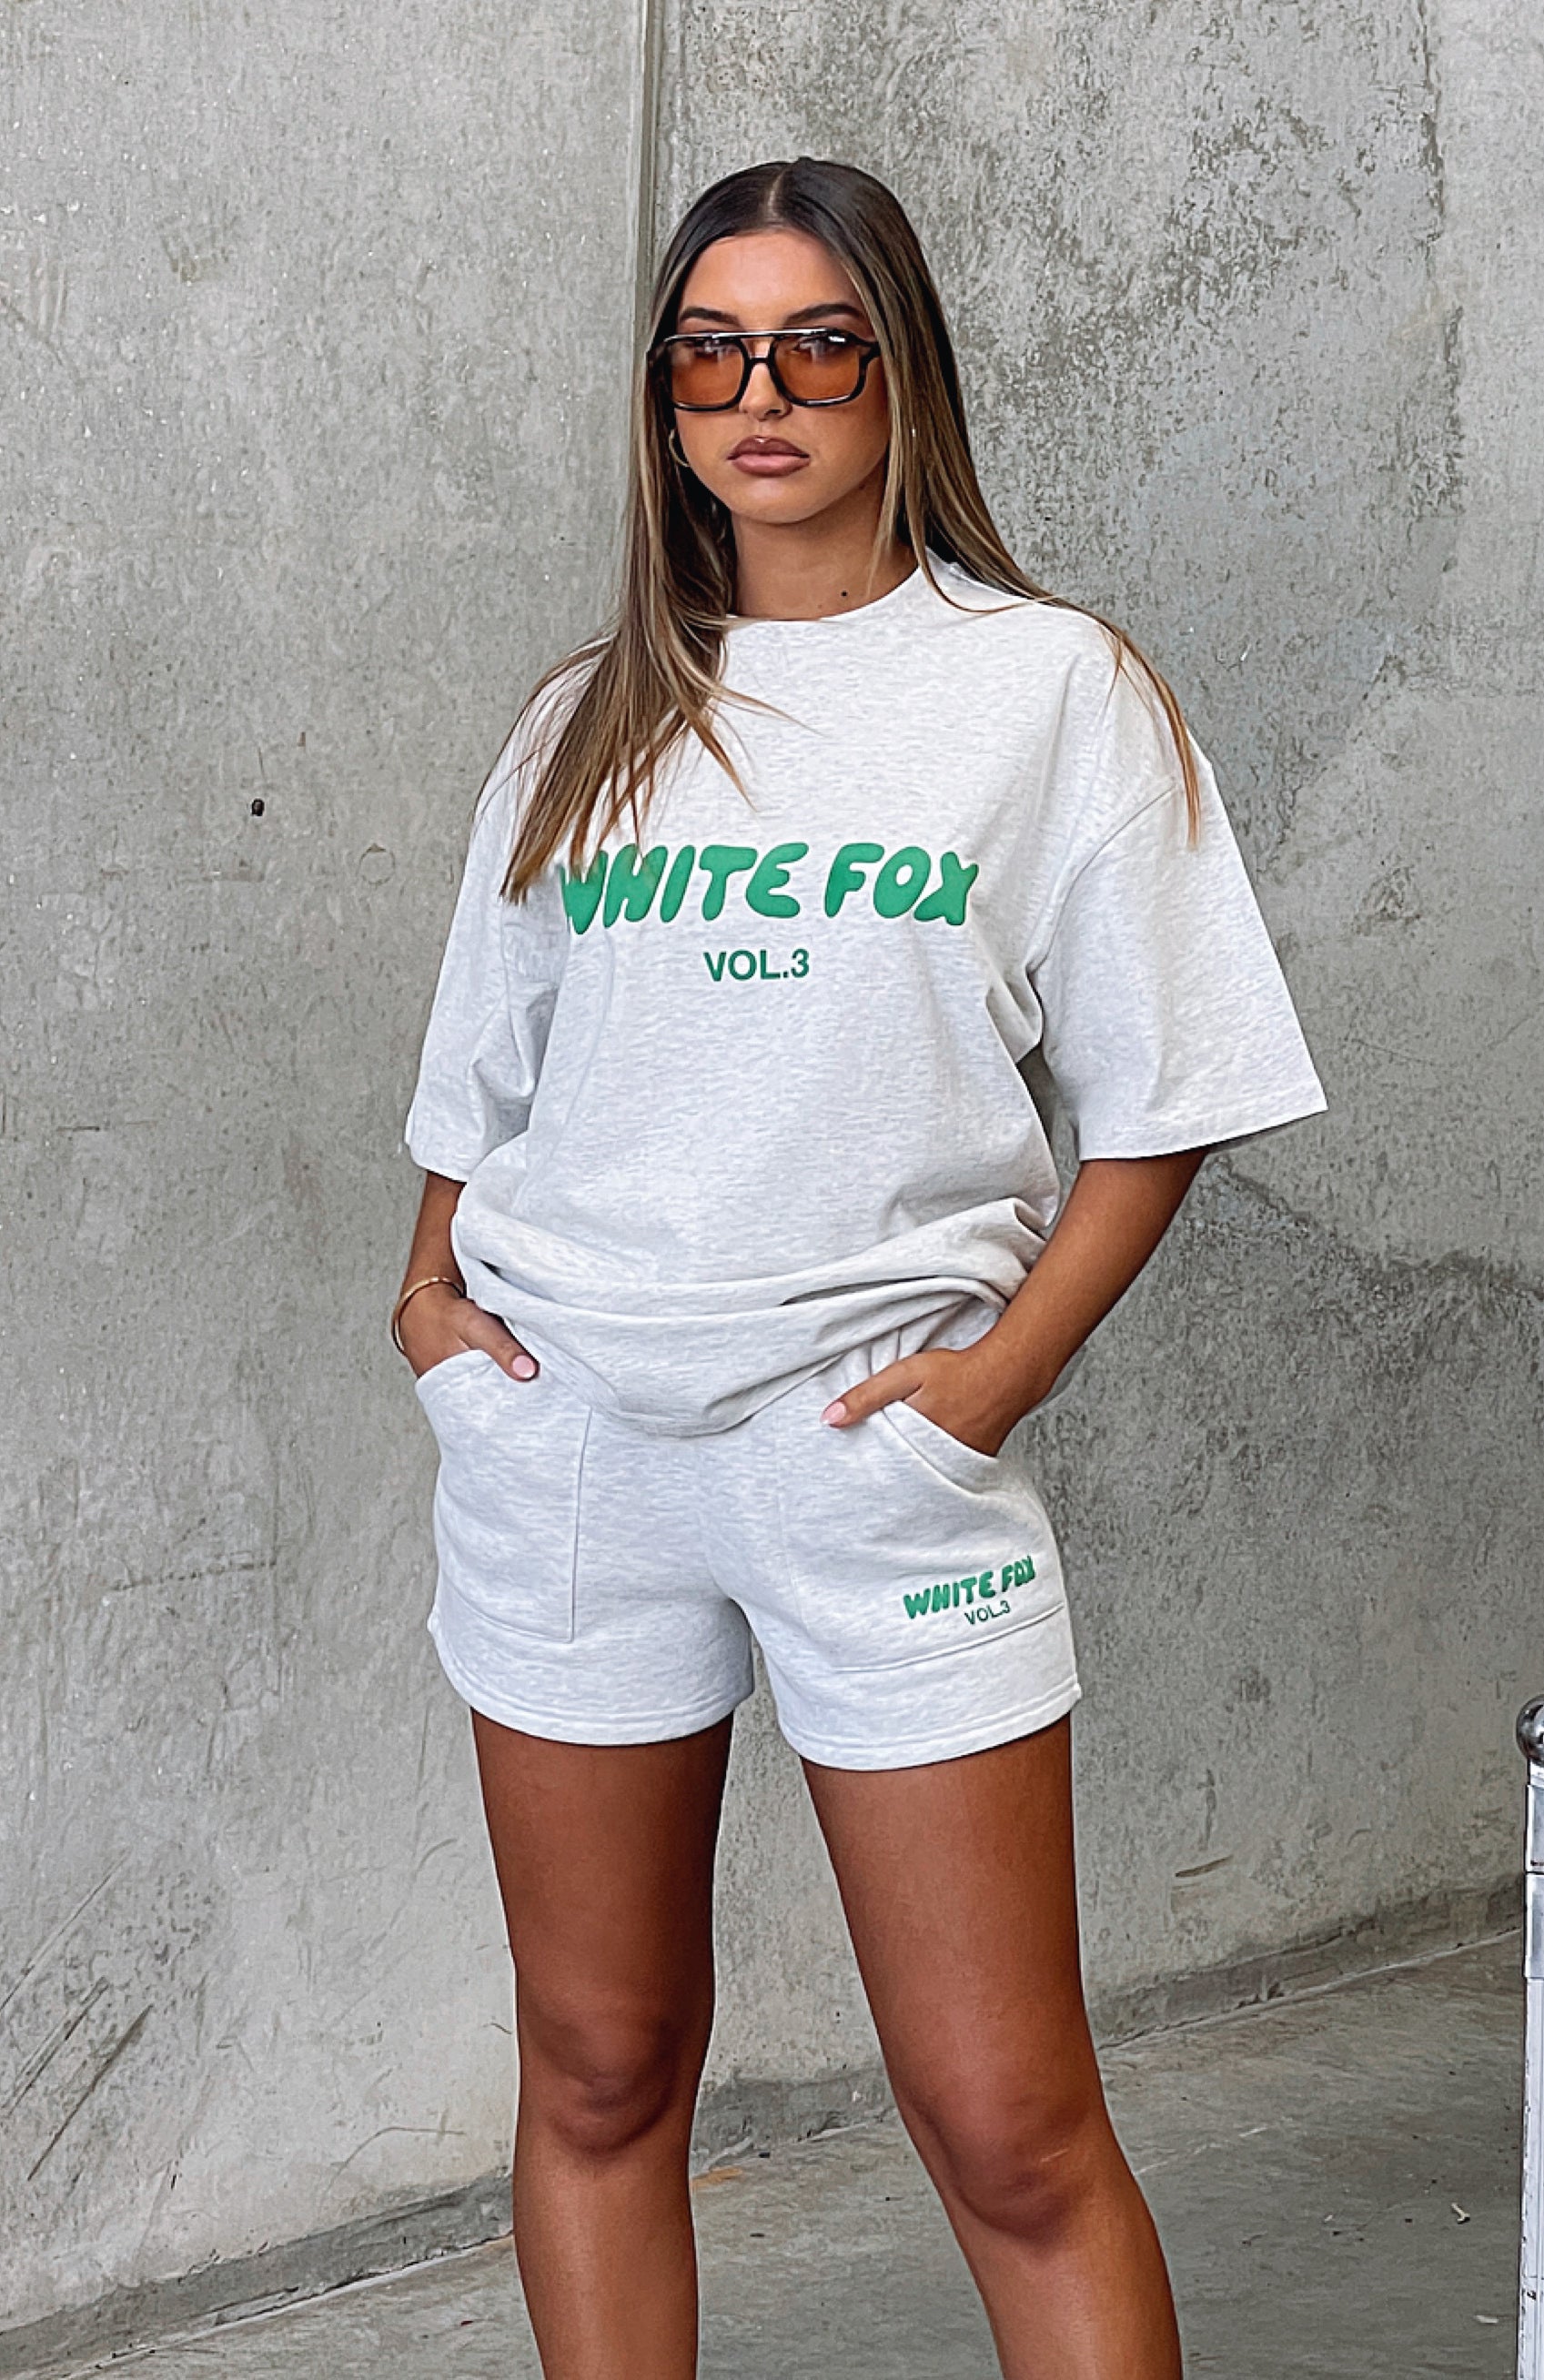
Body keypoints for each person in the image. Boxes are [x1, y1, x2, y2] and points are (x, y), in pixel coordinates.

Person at [393, 156, 1326, 2380]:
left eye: (818, 347)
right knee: (600, 2073)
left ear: (902, 375)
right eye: (710, 354)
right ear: (663, 399)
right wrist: (435, 1311)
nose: (762, 397)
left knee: (1008, 2124)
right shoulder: (585, 719)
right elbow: (480, 1084)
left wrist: (999, 1380)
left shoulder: (1048, 691)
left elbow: (1169, 1090)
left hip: (871, 1453)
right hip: (570, 1453)